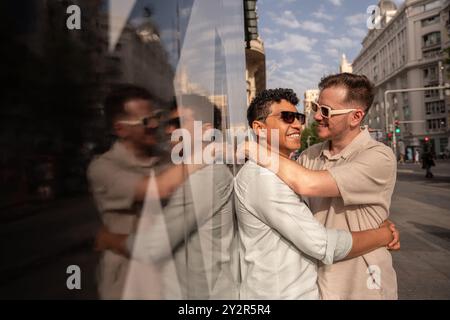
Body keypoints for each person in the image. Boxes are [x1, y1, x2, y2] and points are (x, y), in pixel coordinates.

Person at [245, 74, 399, 299]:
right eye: (316, 107)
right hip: (319, 282)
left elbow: (307, 183)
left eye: (325, 111)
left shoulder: (378, 156)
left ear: (356, 117)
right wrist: (381, 232)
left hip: (362, 283)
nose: (316, 116)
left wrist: (255, 150)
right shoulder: (310, 155)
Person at [93, 94, 238, 299]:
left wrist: (109, 239)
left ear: (206, 130)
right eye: (169, 123)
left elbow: (153, 247)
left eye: (178, 123)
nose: (168, 129)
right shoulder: (181, 169)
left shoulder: (206, 177)